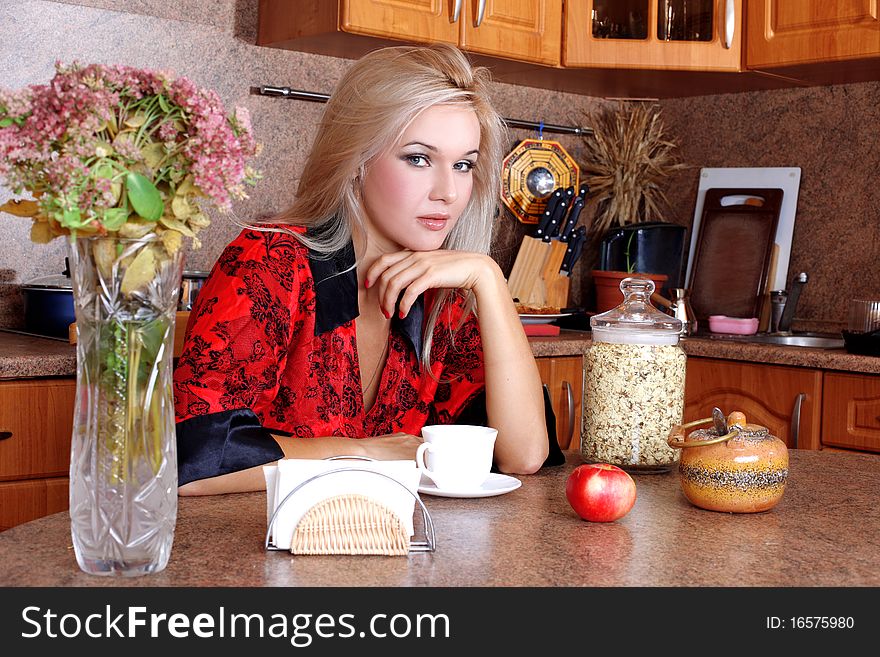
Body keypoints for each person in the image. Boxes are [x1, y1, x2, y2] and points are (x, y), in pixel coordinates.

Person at [173, 44, 549, 495]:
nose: (448, 191)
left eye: (464, 164)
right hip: (255, 549)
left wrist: (488, 277)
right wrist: (365, 452)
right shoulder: (270, 262)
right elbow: (191, 461)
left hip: (394, 548)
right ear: (356, 160)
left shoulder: (441, 294)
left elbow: (524, 454)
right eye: (418, 158)